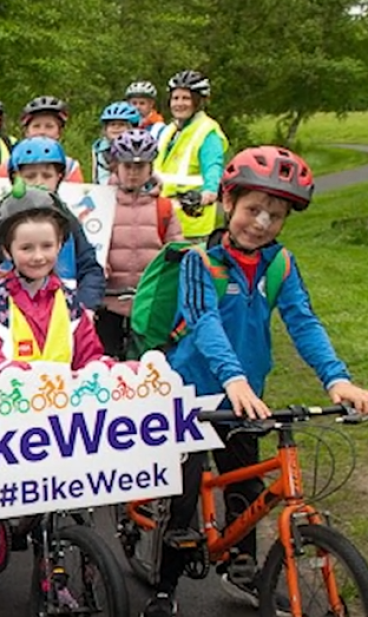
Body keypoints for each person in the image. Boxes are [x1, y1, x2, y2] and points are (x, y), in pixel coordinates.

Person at [141, 147, 368, 617]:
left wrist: (337, 379)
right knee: (183, 500)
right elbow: (203, 322)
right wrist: (234, 378)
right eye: (252, 210)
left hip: (246, 397)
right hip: (193, 394)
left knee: (246, 491)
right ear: (228, 202)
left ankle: (241, 568)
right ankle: (164, 588)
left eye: (276, 215)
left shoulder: (280, 264)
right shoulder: (199, 262)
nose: (262, 223)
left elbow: (303, 322)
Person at [0, 187, 108, 617]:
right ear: (7, 249)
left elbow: (86, 348)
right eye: (26, 247)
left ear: (61, 246)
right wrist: (8, 374)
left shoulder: (69, 300)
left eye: (47, 246)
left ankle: (58, 576)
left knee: (65, 498)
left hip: (51, 411)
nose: (37, 255)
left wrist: (102, 367)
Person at [0, 137, 106, 314]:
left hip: (62, 314)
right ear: (15, 179)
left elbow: (90, 269)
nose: (39, 182)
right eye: (30, 176)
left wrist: (86, 307)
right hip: (9, 313)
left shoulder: (68, 220)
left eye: (47, 176)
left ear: (59, 177)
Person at [99, 129, 182, 358]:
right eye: (127, 166)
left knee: (150, 365)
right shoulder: (101, 202)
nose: (133, 173)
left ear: (150, 168)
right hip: (109, 302)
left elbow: (176, 251)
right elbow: (89, 246)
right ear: (116, 166)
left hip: (149, 304)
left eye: (140, 167)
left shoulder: (163, 208)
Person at [154, 70, 229, 241]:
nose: (179, 103)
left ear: (198, 101)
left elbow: (213, 166)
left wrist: (209, 192)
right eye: (175, 98)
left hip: (191, 222)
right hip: (162, 218)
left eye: (186, 98)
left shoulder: (207, 131)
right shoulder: (169, 130)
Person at [0, 96, 84, 182]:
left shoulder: (70, 168)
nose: (42, 132)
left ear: (59, 132)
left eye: (49, 126)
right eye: (36, 126)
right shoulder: (8, 166)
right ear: (27, 132)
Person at [91, 102, 142, 185]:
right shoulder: (100, 150)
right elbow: (101, 178)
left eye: (121, 125)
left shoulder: (141, 147)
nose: (116, 128)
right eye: (112, 124)